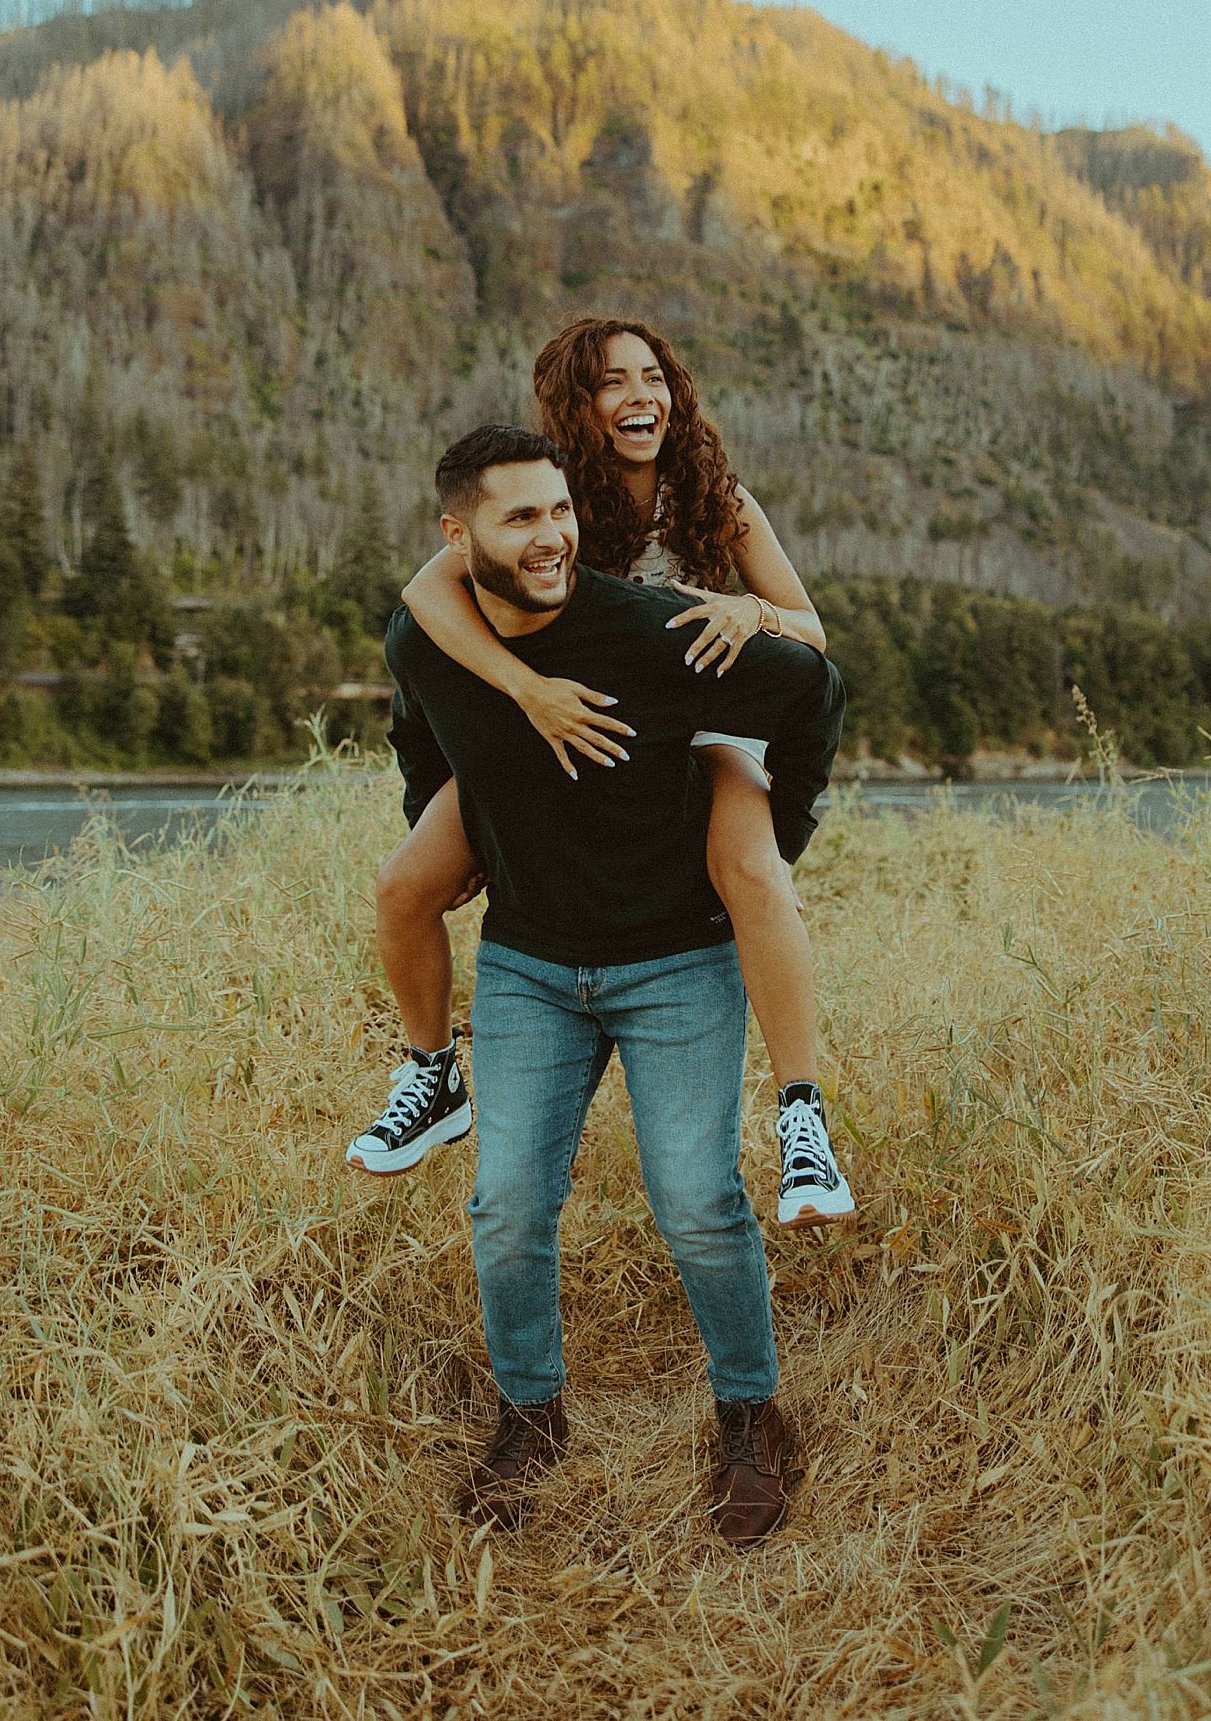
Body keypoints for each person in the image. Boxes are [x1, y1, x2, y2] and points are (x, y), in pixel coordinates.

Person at [382, 425, 844, 1539]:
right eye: (520, 516)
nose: (552, 536)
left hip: (674, 960)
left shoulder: (654, 630)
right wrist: (459, 834)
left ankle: (749, 1415)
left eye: (560, 511)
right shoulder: (427, 637)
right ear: (458, 537)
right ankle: (531, 1417)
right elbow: (423, 741)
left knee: (697, 1204)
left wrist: (763, 846)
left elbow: (815, 693)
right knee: (504, 1212)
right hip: (530, 966)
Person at [347, 316, 855, 1228]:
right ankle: (432, 1077)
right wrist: (525, 690)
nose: (641, 398)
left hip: (700, 726)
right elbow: (428, 592)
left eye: (653, 377)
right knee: (404, 886)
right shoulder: (552, 498)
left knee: (751, 873)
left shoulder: (717, 496)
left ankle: (803, 1123)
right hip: (572, 729)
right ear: (577, 408)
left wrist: (751, 612)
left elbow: (811, 633)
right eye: (613, 383)